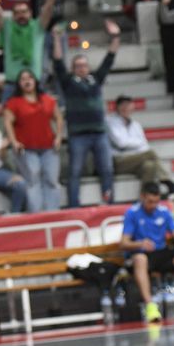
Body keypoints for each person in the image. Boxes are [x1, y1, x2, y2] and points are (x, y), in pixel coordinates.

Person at [53, 20, 122, 207]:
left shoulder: (96, 80)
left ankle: (109, 202)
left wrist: (115, 36)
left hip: (99, 132)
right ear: (73, 69)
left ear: (88, 67)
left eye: (84, 65)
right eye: (78, 66)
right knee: (75, 172)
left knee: (107, 169)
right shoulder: (68, 83)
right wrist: (57, 38)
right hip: (78, 135)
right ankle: (74, 206)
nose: (82, 68)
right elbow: (58, 62)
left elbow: (110, 57)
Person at [119, 182, 174, 323]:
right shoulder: (132, 213)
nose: (153, 205)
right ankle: (150, 306)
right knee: (140, 259)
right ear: (142, 197)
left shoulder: (164, 212)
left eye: (156, 201)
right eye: (150, 202)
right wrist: (140, 243)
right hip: (142, 255)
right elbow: (123, 243)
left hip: (162, 254)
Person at [3, 69, 62, 212]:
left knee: (52, 180)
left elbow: (58, 117)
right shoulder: (13, 103)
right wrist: (14, 141)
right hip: (26, 148)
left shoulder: (47, 99)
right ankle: (36, 214)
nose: (27, 81)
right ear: (19, 84)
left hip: (48, 147)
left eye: (29, 78)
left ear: (35, 81)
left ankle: (52, 213)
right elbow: (7, 122)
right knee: (32, 180)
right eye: (23, 79)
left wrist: (59, 136)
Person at [106, 96, 174, 196]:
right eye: (123, 106)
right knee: (151, 154)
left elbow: (144, 145)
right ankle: (166, 181)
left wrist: (135, 144)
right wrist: (138, 144)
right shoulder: (110, 121)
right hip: (118, 161)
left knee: (150, 166)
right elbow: (121, 143)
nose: (125, 109)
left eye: (128, 106)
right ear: (117, 107)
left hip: (135, 160)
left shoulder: (136, 125)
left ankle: (145, 199)